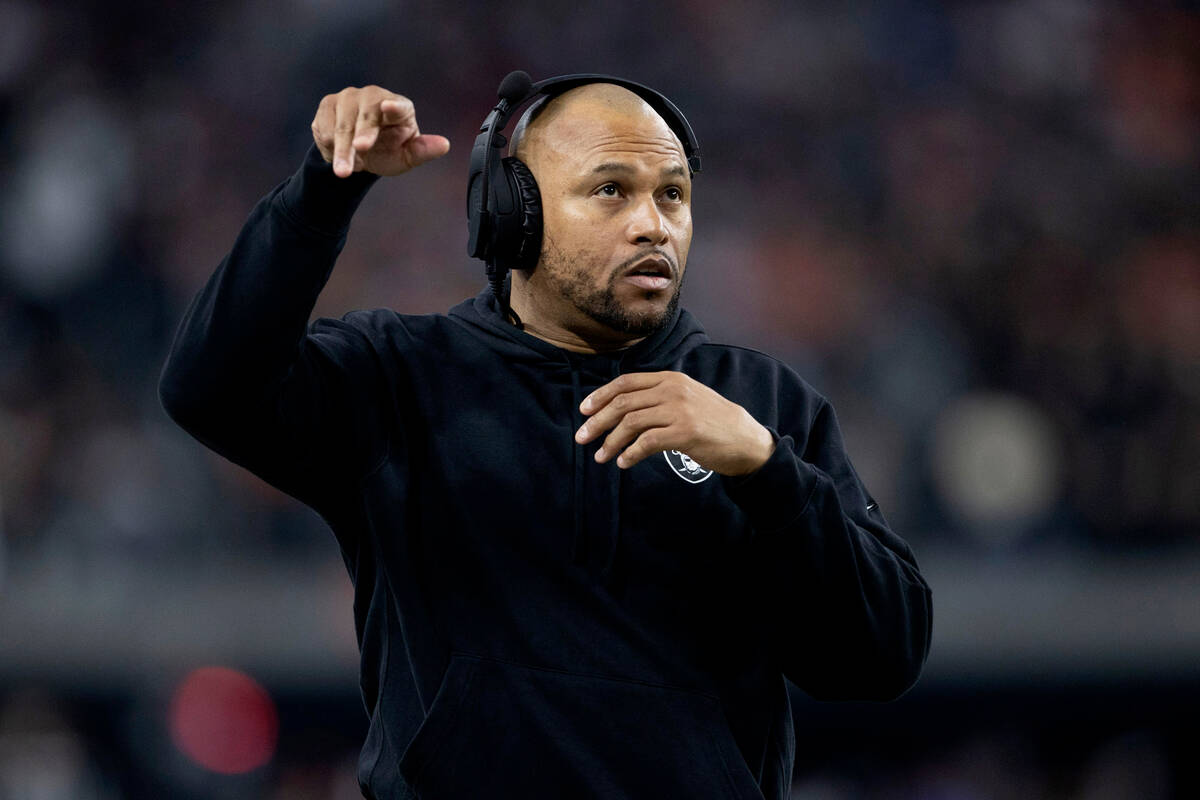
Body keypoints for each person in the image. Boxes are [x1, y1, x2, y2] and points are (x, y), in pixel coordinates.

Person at [159, 73, 932, 800]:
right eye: (610, 191)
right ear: (512, 212)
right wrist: (318, 197)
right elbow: (208, 390)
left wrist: (768, 471)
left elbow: (883, 655)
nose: (652, 224)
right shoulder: (399, 379)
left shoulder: (760, 405)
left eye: (672, 195)